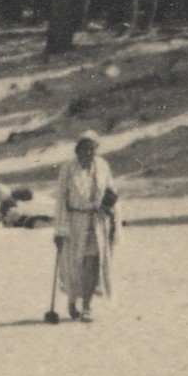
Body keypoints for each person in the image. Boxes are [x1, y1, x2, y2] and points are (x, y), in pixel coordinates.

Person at [47, 136, 119, 324]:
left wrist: (112, 213)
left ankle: (87, 306)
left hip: (96, 222)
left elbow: (112, 191)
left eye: (92, 150)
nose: (89, 154)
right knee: (73, 266)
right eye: (85, 149)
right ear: (77, 150)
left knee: (93, 262)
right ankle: (72, 301)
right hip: (74, 222)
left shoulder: (102, 166)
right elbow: (61, 199)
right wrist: (59, 230)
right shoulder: (68, 169)